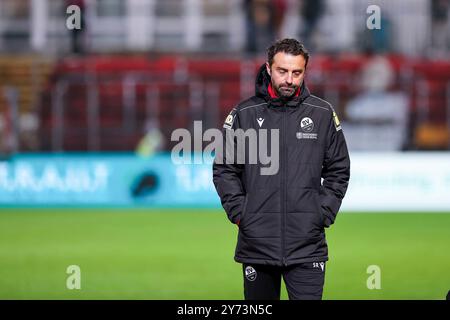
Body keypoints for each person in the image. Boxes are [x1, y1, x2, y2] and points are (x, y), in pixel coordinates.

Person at [212, 38, 350, 300]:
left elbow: (338, 169)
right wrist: (242, 214)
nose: (289, 79)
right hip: (257, 245)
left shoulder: (322, 113)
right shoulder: (244, 114)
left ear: (305, 72)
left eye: (297, 72)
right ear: (268, 68)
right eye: (282, 71)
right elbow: (224, 169)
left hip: (307, 245)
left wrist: (321, 213)